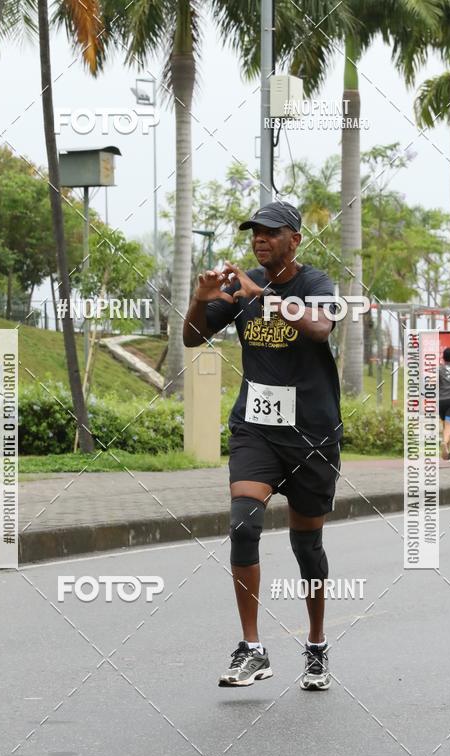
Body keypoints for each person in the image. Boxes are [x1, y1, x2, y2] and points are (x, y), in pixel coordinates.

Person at [183, 201, 342, 690]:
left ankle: (316, 644)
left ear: (294, 239)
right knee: (243, 526)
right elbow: (193, 337)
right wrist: (199, 298)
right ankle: (253, 648)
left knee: (306, 544)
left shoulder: (316, 285)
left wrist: (266, 297)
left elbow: (318, 327)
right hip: (257, 430)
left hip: (312, 435)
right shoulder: (239, 283)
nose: (260, 239)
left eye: (271, 232)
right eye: (255, 232)